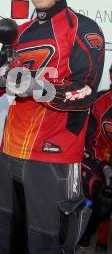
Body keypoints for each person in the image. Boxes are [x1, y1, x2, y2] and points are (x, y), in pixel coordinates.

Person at [0, 0, 105, 253]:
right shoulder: (19, 33)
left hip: (54, 158)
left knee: (46, 242)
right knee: (4, 235)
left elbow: (85, 92)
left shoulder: (85, 29)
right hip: (11, 152)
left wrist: (36, 87)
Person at [79, 63, 112, 254]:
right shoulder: (99, 101)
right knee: (99, 190)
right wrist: (106, 165)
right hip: (98, 158)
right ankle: (89, 233)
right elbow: (90, 139)